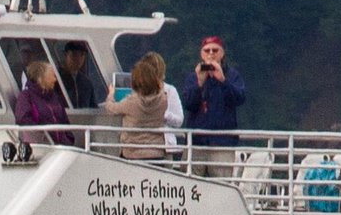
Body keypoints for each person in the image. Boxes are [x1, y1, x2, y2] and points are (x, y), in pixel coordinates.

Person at [180, 36, 246, 178]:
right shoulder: (193, 77)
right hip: (196, 143)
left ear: (222, 53)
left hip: (222, 143)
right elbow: (188, 104)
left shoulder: (232, 75)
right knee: (191, 183)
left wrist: (223, 81)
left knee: (220, 185)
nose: (211, 54)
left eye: (215, 50)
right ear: (201, 54)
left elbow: (239, 98)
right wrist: (199, 83)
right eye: (207, 50)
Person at [103, 55, 168, 160]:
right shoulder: (163, 100)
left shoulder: (131, 102)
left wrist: (111, 94)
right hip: (156, 152)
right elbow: (159, 91)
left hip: (132, 153)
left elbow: (110, 108)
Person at [14, 60, 75, 145]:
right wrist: (43, 135)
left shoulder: (54, 96)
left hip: (62, 146)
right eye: (52, 75)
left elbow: (64, 120)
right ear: (41, 77)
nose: (55, 79)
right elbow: (23, 119)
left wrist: (69, 139)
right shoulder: (26, 96)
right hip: (41, 146)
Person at [139, 51, 185, 161]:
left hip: (165, 148)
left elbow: (179, 121)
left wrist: (163, 114)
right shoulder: (136, 91)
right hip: (139, 148)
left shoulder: (170, 90)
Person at [58, 41, 97, 109]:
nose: (78, 58)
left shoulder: (86, 82)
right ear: (65, 55)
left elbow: (93, 108)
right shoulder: (55, 79)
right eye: (74, 54)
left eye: (82, 54)